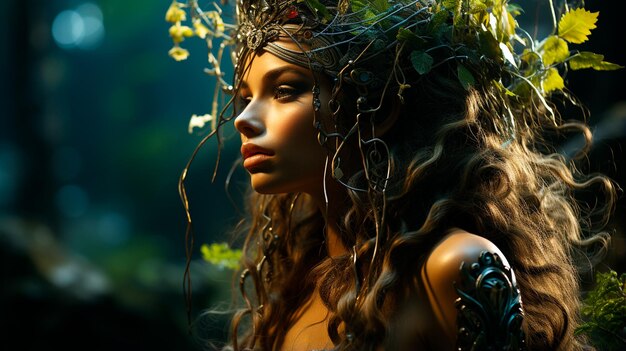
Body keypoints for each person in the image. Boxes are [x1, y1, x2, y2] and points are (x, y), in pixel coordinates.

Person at [166, 0, 620, 350]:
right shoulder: (295, 282)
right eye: (245, 95)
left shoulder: (454, 268)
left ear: (377, 110)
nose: (244, 117)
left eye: (285, 91)